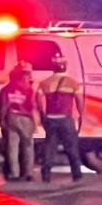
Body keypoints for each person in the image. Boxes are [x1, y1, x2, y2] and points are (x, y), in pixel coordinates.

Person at [37, 54, 84, 182]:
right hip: (66, 119)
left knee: (50, 147)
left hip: (50, 119)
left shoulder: (45, 83)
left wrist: (42, 115)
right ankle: (77, 175)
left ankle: (46, 175)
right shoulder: (73, 83)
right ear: (65, 67)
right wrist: (81, 114)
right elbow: (79, 100)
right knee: (72, 147)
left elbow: (39, 100)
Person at [0, 61, 38, 181]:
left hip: (11, 118)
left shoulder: (6, 89)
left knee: (12, 147)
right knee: (28, 147)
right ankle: (28, 173)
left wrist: (2, 120)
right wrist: (35, 123)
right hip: (26, 119)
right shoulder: (29, 89)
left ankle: (14, 173)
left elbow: (3, 106)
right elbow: (33, 106)